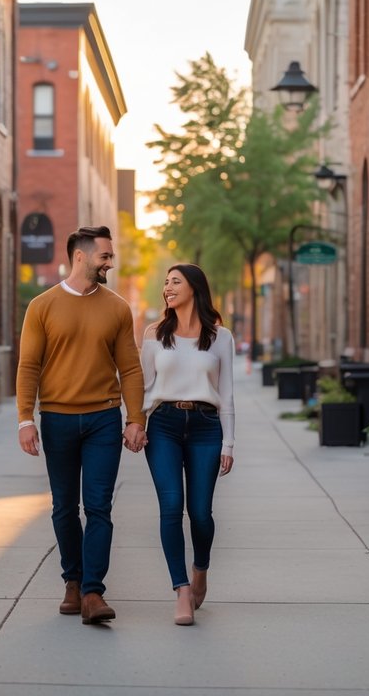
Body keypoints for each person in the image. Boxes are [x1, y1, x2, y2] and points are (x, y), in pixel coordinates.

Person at [16, 225, 146, 625]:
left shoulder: (118, 308)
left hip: (104, 420)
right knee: (63, 508)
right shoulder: (42, 305)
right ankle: (72, 581)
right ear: (80, 256)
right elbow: (29, 366)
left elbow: (130, 368)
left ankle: (92, 592)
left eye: (111, 256)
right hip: (56, 419)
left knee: (99, 507)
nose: (110, 262)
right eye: (104, 256)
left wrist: (135, 418)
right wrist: (25, 418)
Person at [140, 263, 235, 626]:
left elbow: (227, 395)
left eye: (175, 282)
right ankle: (181, 590)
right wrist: (136, 422)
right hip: (163, 425)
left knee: (200, 513)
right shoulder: (154, 333)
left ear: (194, 288)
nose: (167, 287)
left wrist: (229, 443)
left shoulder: (220, 337)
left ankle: (200, 570)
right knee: (170, 507)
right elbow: (145, 387)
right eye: (165, 282)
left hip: (206, 427)